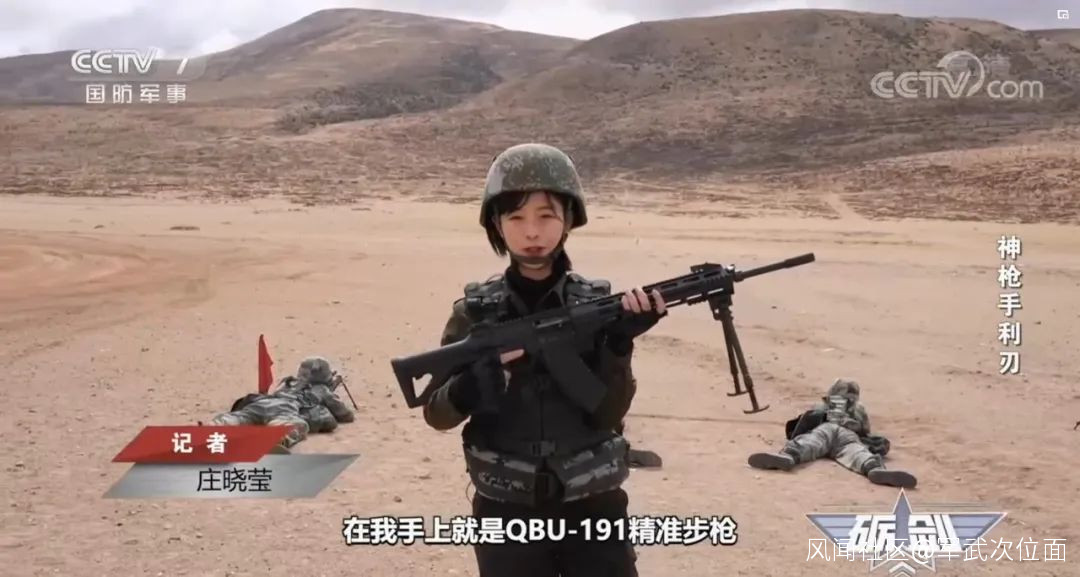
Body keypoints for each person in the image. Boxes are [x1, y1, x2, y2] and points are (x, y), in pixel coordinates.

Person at [421, 143, 665, 577]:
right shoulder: (474, 314)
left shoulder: (595, 307)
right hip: (506, 506)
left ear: (568, 219)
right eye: (516, 218)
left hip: (593, 503)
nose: (532, 232)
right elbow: (436, 414)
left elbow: (608, 413)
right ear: (496, 224)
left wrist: (618, 346)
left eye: (546, 216)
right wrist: (467, 390)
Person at [747, 378, 917, 488]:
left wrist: (850, 424)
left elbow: (805, 425)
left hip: (835, 433)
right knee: (853, 451)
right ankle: (872, 467)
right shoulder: (852, 409)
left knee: (814, 443)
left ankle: (789, 456)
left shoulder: (832, 407)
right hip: (839, 433)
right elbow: (865, 431)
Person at [208, 356, 355, 452]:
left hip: (263, 402)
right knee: (296, 425)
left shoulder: (288, 382)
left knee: (241, 417)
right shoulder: (321, 389)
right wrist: (329, 394)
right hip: (286, 408)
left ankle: (214, 427)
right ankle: (276, 440)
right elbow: (345, 415)